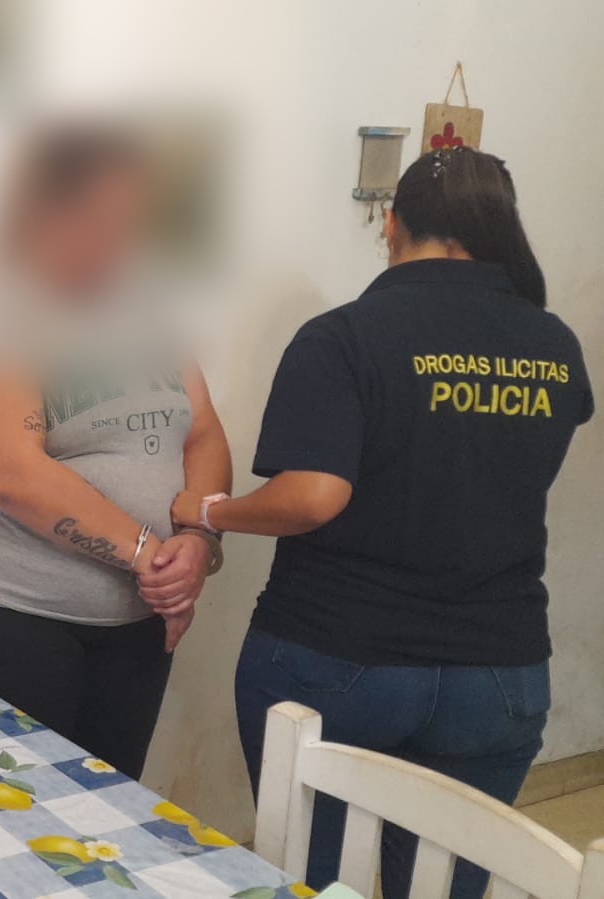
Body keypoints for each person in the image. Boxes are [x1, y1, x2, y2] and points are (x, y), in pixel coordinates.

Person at [172, 147, 593, 898]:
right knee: (442, 887)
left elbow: (313, 497)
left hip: (339, 660)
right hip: (497, 674)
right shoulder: (552, 344)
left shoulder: (344, 336)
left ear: (390, 225)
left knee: (310, 881)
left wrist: (211, 512)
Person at [0, 125, 232, 779]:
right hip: (13, 613)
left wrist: (197, 539)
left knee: (115, 806)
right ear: (41, 210)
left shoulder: (145, 304)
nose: (118, 244)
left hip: (139, 620)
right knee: (18, 814)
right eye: (100, 220)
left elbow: (202, 430)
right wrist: (152, 557)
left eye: (132, 225)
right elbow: (11, 472)